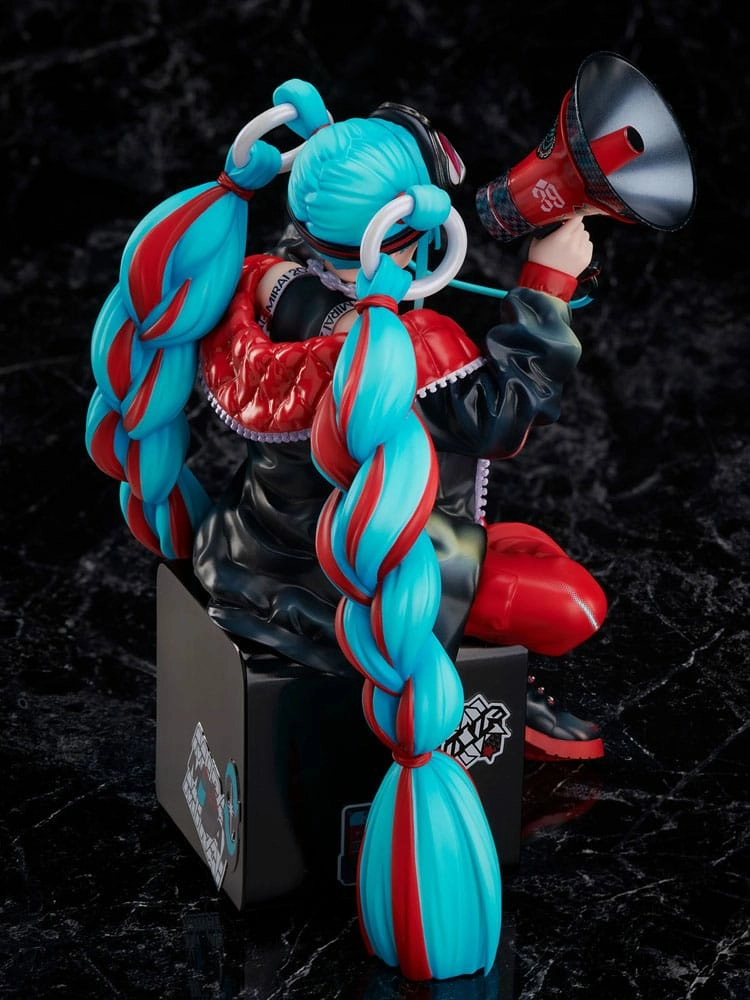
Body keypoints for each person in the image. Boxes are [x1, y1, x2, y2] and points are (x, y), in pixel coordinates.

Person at [85, 78, 607, 979]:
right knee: (569, 599)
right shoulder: (412, 346)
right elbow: (505, 415)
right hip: (361, 593)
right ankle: (486, 701)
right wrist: (548, 284)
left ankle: (481, 683)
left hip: (247, 561)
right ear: (402, 231)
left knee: (521, 548)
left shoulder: (257, 283)